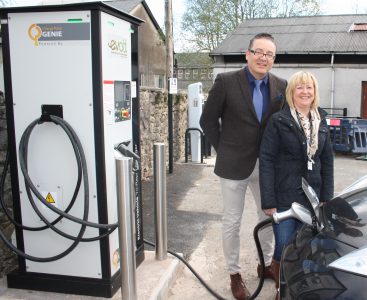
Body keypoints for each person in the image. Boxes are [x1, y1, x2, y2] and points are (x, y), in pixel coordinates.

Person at [200, 33, 287, 300]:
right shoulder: (226, 82)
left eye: (269, 54)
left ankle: (266, 265)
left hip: (266, 167)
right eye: (258, 52)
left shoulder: (281, 86)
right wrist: (223, 150)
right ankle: (235, 275)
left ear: (273, 59)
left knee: (269, 219)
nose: (263, 58)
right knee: (232, 222)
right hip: (233, 166)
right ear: (247, 54)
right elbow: (207, 120)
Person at [259, 71, 334, 299]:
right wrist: (269, 200)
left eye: (309, 87)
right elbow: (267, 160)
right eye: (300, 87)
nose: (305, 92)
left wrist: (326, 196)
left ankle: (294, 285)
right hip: (284, 195)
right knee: (284, 245)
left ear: (315, 92)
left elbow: (327, 160)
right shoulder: (279, 120)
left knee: (304, 246)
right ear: (292, 92)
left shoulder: (321, 119)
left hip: (312, 196)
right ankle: (281, 286)